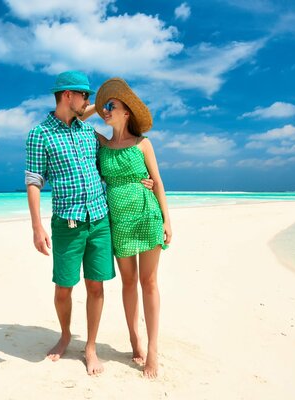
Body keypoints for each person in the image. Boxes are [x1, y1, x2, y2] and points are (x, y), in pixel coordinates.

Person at [24, 71, 152, 376]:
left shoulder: (86, 132)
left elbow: (113, 164)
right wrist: (36, 227)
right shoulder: (39, 135)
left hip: (99, 219)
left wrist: (138, 182)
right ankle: (66, 335)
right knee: (64, 288)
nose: (90, 101)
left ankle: (90, 346)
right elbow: (33, 181)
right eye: (85, 95)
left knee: (96, 286)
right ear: (68, 95)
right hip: (66, 222)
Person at [88, 77, 172, 379]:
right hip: (119, 221)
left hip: (146, 216)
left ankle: (152, 348)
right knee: (127, 282)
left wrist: (167, 220)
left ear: (127, 112)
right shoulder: (102, 144)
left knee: (149, 283)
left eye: (112, 106)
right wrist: (98, 107)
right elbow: (73, 117)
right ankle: (134, 339)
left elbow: (158, 182)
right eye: (105, 107)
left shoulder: (143, 144)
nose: (106, 111)